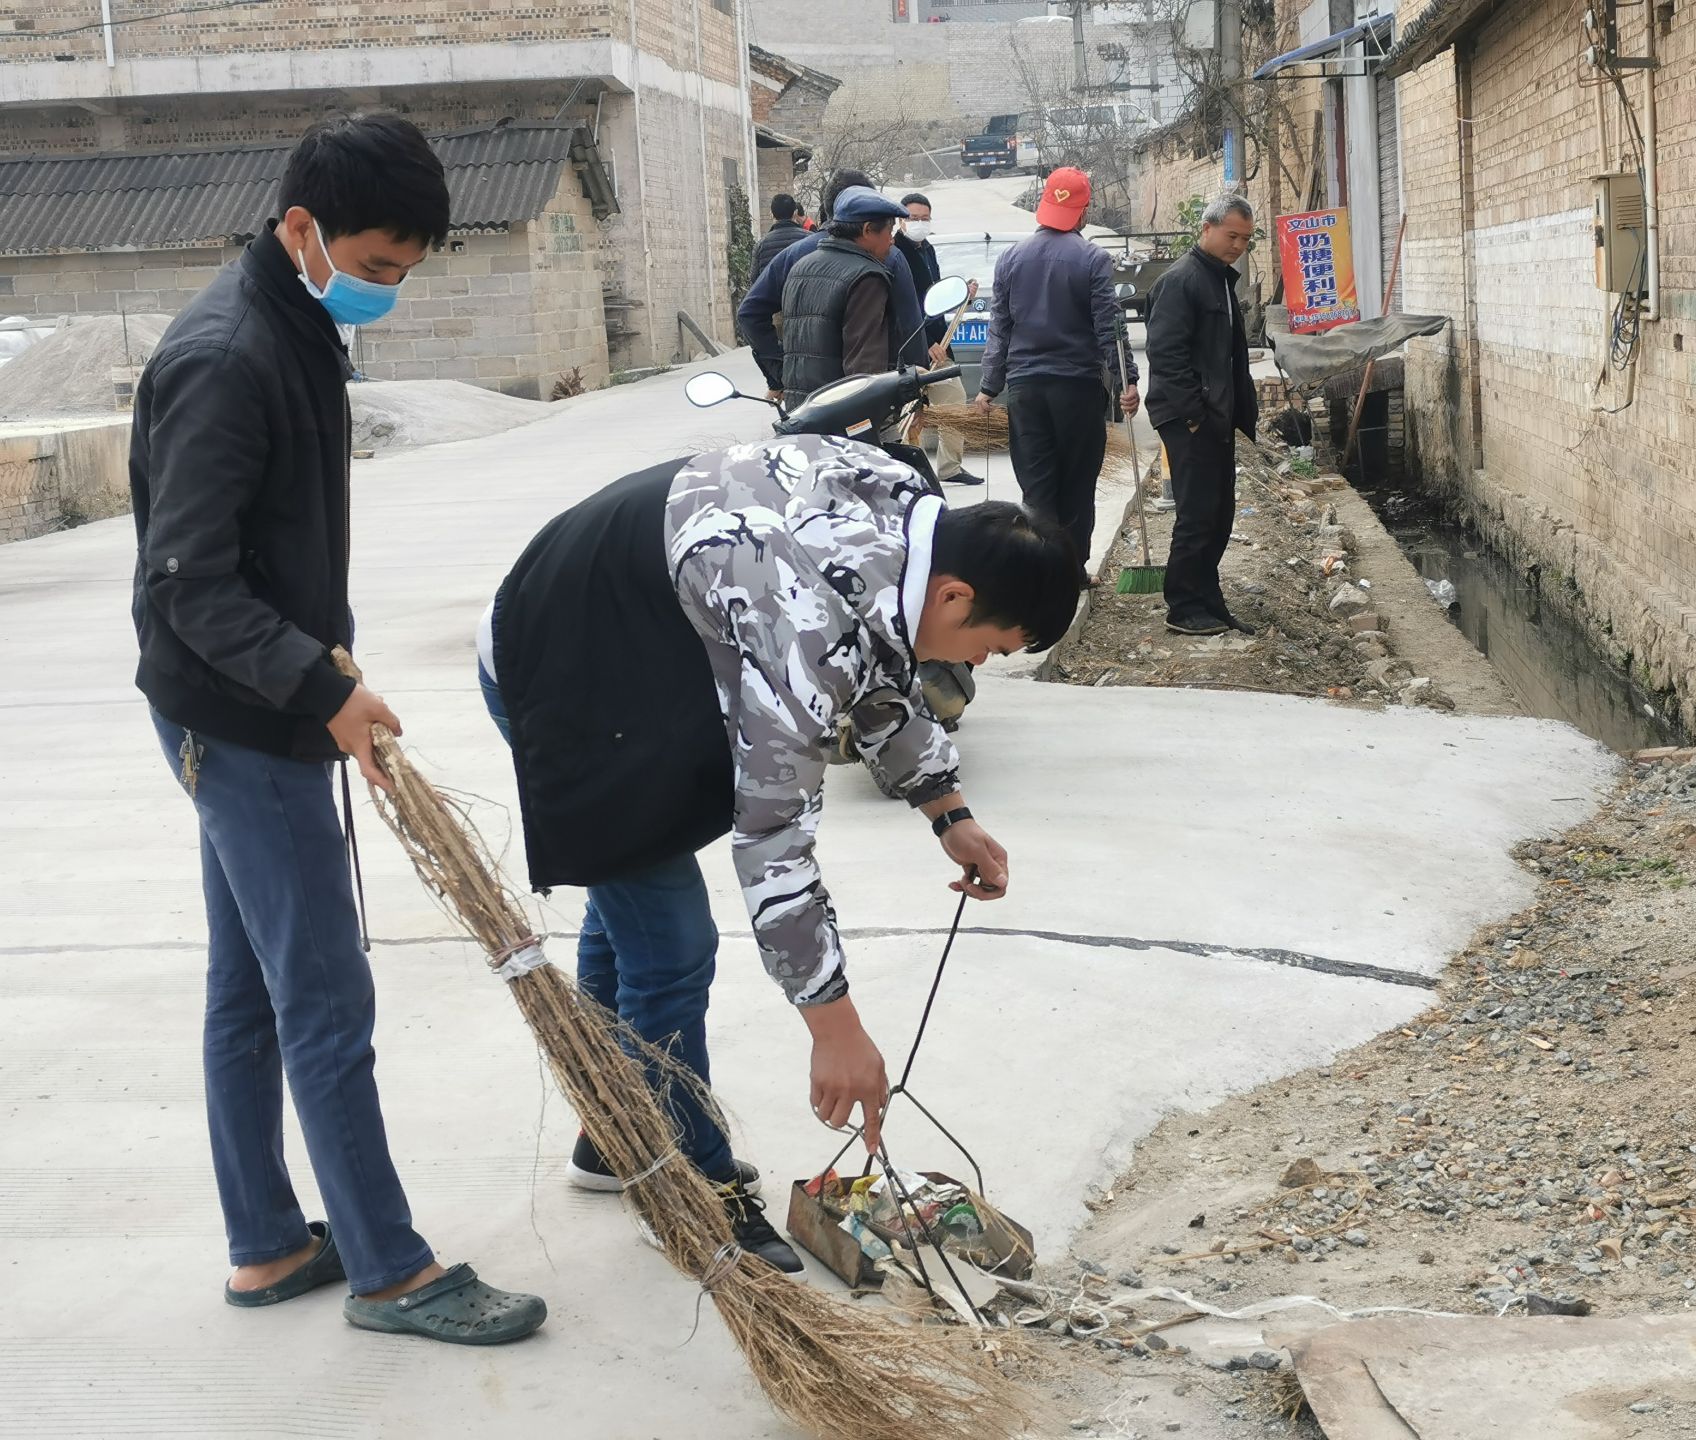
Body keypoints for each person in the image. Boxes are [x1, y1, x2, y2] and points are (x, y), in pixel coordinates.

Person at [130, 114, 546, 1343]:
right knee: (323, 994)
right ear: (300, 227)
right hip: (242, 719)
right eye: (373, 266)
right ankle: (390, 1270)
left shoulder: (296, 324)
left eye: (405, 274)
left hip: (257, 704)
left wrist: (319, 666)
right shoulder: (227, 354)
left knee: (250, 987)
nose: (386, 291)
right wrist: (319, 686)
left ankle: (266, 1247)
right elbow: (186, 583)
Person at [476, 438, 1086, 1270]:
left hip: (635, 638)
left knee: (635, 911)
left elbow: (880, 665)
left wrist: (948, 810)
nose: (978, 664)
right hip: (559, 664)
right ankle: (686, 1187)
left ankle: (611, 1131)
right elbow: (773, 840)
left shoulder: (911, 510)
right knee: (672, 944)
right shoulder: (801, 616)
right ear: (955, 593)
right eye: (990, 647)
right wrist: (833, 1025)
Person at [971, 167, 1138, 565]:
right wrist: (1126, 380)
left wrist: (988, 386)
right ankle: (1072, 571)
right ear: (1082, 213)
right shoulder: (1093, 259)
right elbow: (1109, 326)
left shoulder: (1011, 258)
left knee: (1037, 487)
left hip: (1026, 392)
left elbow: (1000, 328)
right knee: (1077, 485)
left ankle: (1040, 572)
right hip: (1077, 390)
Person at [1146, 194, 1261, 637]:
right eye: (1232, 235)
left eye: (1245, 239)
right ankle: (1183, 606)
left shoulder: (1218, 280)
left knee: (1218, 513)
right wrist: (1194, 416)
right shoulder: (1183, 281)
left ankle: (1209, 600)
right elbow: (1167, 356)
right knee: (1195, 515)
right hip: (1191, 421)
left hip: (1215, 419)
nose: (1238, 246)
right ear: (1207, 229)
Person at [737, 168, 931, 403]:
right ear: (867, 225)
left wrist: (781, 375)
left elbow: (749, 313)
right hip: (853, 408)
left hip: (805, 406)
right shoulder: (882, 263)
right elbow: (908, 330)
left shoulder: (796, 261)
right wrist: (915, 395)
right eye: (888, 229)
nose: (891, 240)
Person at [780, 186, 909, 402]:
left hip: (801, 409)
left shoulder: (800, 267)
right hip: (842, 415)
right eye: (889, 231)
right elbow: (865, 371)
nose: (892, 240)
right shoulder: (867, 277)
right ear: (868, 230)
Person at [895, 191, 985, 488]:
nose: (919, 223)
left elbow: (933, 297)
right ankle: (914, 472)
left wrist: (964, 298)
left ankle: (949, 467)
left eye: (924, 218)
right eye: (913, 218)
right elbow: (903, 306)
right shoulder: (895, 253)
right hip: (911, 347)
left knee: (955, 401)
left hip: (939, 344)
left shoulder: (927, 249)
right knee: (911, 412)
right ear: (901, 220)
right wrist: (923, 342)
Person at [750, 192, 811, 283]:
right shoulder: (809, 239)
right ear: (795, 213)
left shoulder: (761, 245)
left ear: (772, 214)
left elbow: (754, 279)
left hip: (772, 295)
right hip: (801, 295)